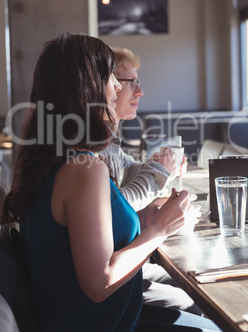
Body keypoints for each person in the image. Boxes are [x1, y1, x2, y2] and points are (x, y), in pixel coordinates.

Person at [0, 33, 221, 331]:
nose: (118, 86)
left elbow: (75, 239)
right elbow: (99, 282)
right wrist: (160, 229)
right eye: (110, 77)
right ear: (87, 86)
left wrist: (147, 218)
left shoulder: (50, 159)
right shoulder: (84, 168)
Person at [99, 47, 202, 315]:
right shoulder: (92, 151)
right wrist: (158, 171)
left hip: (122, 263)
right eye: (131, 82)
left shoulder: (108, 141)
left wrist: (159, 168)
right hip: (113, 275)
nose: (140, 91)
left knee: (192, 290)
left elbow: (127, 175)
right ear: (106, 87)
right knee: (194, 300)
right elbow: (118, 203)